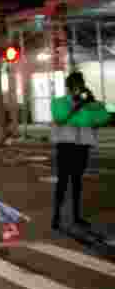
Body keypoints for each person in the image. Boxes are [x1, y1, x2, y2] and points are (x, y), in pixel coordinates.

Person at [51, 71, 111, 230]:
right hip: (65, 146)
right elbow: (60, 118)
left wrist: (93, 104)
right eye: (75, 86)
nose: (78, 89)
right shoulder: (59, 102)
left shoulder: (89, 104)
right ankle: (56, 216)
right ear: (69, 87)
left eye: (80, 86)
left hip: (82, 146)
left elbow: (104, 118)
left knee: (77, 183)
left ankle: (76, 217)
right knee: (62, 182)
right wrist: (78, 108)